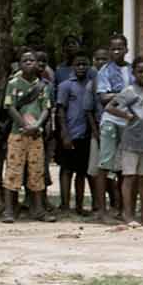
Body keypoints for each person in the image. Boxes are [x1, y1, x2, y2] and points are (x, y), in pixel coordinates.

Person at [0, 52, 54, 224]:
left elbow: (46, 108)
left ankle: (38, 210)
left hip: (36, 135)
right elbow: (9, 107)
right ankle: (9, 210)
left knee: (37, 171)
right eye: (25, 61)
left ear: (38, 64)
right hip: (17, 134)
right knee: (13, 171)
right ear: (20, 65)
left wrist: (37, 125)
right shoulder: (13, 84)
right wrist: (24, 124)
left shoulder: (44, 86)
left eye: (32, 60)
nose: (29, 63)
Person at [110, 68, 143, 228]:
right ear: (134, 74)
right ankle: (128, 214)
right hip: (131, 141)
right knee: (129, 177)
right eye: (140, 72)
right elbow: (110, 106)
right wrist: (127, 116)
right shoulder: (129, 91)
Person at [54, 52, 94, 215]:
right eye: (78, 64)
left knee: (81, 172)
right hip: (69, 134)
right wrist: (64, 133)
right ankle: (64, 204)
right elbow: (60, 110)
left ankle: (79, 205)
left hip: (85, 135)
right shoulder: (65, 86)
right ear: (73, 67)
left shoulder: (91, 85)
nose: (81, 67)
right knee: (66, 169)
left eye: (84, 64)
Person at [90, 45, 127, 220]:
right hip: (110, 122)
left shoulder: (131, 69)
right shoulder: (104, 71)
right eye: (113, 48)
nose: (116, 51)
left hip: (128, 122)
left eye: (120, 48)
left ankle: (122, 209)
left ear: (126, 49)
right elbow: (103, 98)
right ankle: (102, 211)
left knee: (124, 167)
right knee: (104, 165)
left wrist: (116, 94)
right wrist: (124, 94)